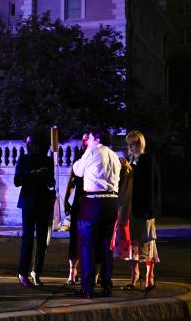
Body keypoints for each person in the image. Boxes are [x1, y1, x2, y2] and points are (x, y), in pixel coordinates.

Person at [73, 127, 121, 298]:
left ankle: (88, 286)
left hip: (93, 202)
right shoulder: (115, 156)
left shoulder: (92, 151)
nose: (88, 141)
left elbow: (78, 171)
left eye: (90, 138)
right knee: (106, 245)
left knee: (87, 245)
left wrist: (84, 152)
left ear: (97, 139)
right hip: (111, 202)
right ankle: (106, 284)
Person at [112, 130, 161, 293]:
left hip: (144, 207)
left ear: (140, 144)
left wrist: (130, 169)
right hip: (129, 207)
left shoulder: (147, 159)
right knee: (132, 242)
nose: (131, 147)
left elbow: (147, 183)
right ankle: (134, 276)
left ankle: (149, 277)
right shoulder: (131, 160)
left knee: (146, 241)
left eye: (133, 143)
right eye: (129, 144)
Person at [14, 134, 55, 287]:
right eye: (27, 142)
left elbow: (51, 182)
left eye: (30, 143)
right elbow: (17, 181)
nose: (27, 145)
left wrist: (48, 179)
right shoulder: (23, 160)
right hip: (28, 201)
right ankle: (22, 272)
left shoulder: (48, 160)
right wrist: (32, 174)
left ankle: (36, 272)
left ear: (37, 145)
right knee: (28, 239)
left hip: (44, 201)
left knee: (43, 240)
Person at [63, 133, 89, 285]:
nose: (84, 141)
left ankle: (87, 271)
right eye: (84, 138)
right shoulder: (79, 158)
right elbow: (72, 179)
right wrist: (67, 199)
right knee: (75, 239)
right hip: (79, 203)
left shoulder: (96, 157)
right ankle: (72, 271)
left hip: (92, 202)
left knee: (89, 239)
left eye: (87, 138)